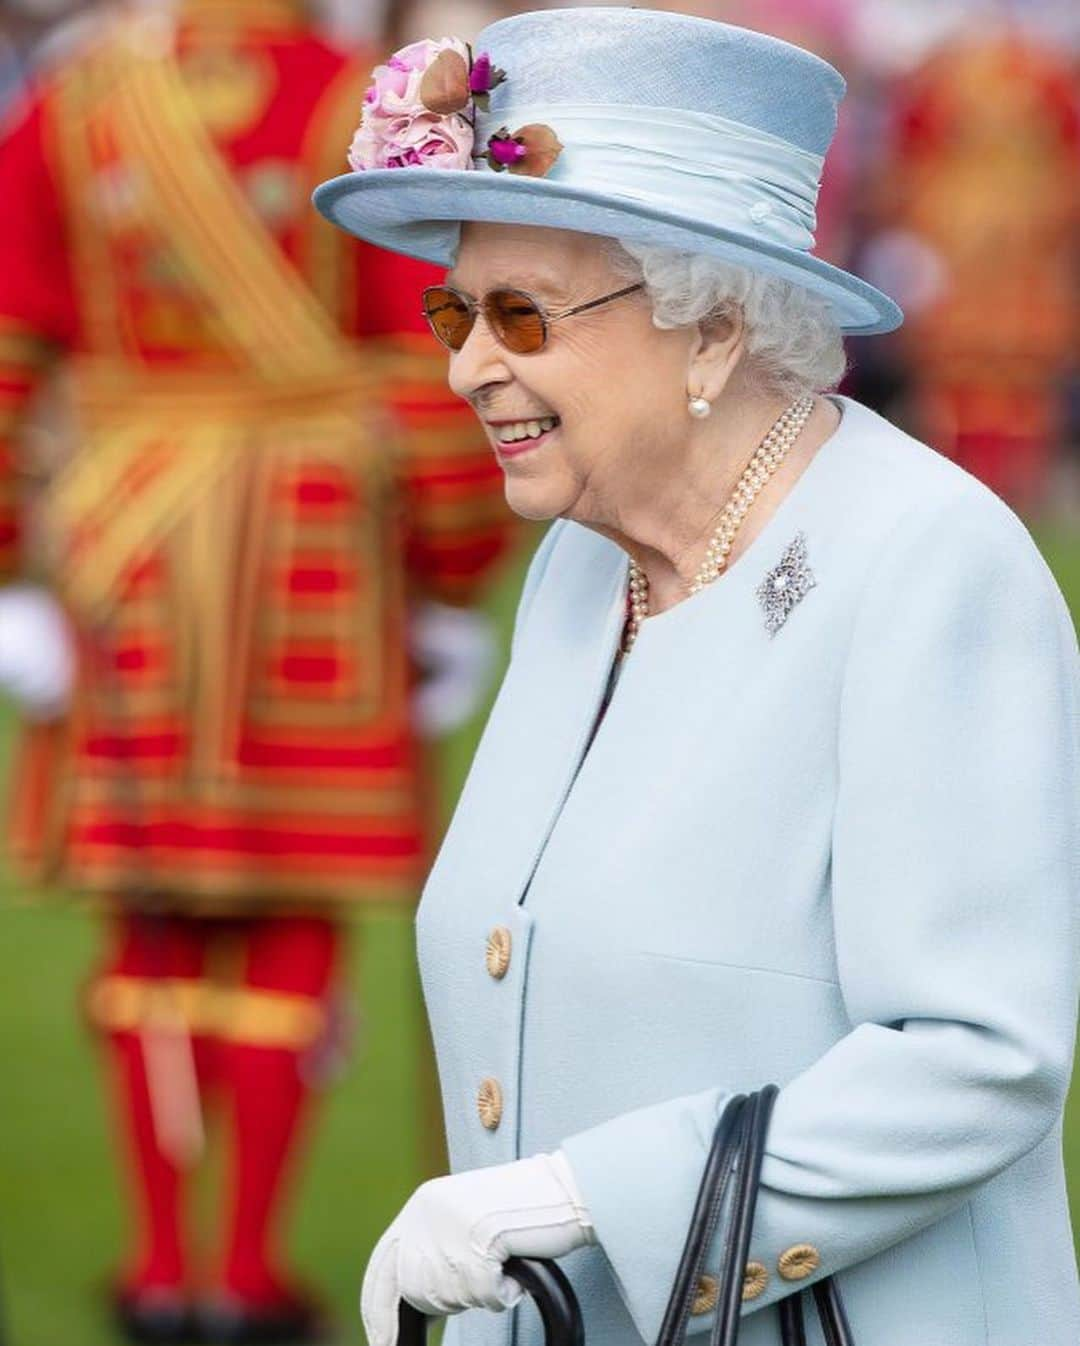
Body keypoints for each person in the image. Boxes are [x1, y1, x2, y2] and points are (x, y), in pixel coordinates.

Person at [314, 8, 1080, 1346]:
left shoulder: (928, 563)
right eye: (457, 306)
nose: (464, 363)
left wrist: (582, 1194)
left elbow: (980, 1060)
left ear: (714, 330)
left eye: (520, 315)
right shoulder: (575, 560)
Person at [0, 1, 513, 1341]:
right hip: (322, 553)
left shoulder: (72, 104)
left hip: (131, 546)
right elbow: (435, 353)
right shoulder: (373, 99)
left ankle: (163, 1265)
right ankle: (239, 1270)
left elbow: (6, 347)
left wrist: (8, 572)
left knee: (149, 913)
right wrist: (452, 570)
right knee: (293, 910)